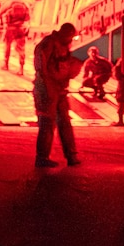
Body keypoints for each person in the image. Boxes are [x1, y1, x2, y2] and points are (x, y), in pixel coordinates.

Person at [33, 22, 83, 168]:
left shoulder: (63, 45)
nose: (71, 41)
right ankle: (42, 157)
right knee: (47, 123)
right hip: (47, 89)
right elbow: (40, 67)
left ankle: (71, 156)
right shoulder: (48, 44)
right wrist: (48, 88)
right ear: (65, 34)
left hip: (60, 89)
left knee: (65, 122)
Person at [0, 0, 31, 74]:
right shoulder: (25, 3)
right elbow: (28, 17)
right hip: (20, 29)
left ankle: (5, 64)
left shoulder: (10, 3)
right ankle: (21, 68)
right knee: (21, 49)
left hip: (10, 29)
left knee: (7, 46)